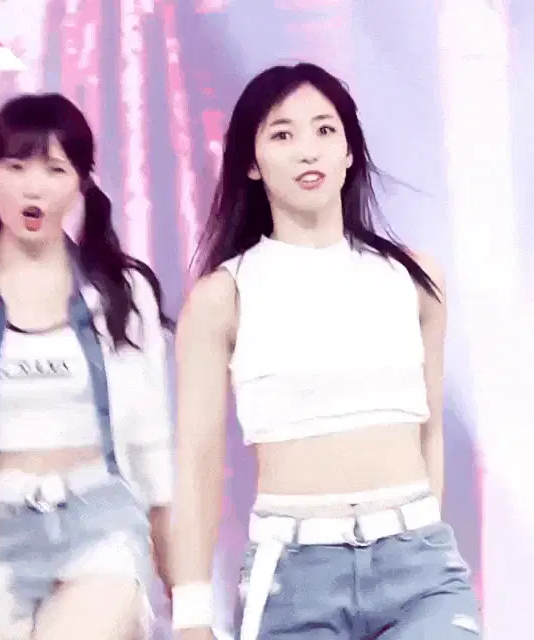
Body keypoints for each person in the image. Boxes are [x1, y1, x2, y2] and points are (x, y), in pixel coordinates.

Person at [172, 62, 482, 640]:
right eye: (282, 134)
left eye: (324, 129)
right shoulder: (224, 296)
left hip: (420, 569)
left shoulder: (414, 280)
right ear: (250, 163)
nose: (307, 150)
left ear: (348, 151)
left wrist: (424, 534)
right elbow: (197, 461)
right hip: (295, 575)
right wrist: (191, 615)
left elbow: (431, 429)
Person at [0, 93, 175, 640]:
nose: (33, 187)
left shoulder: (123, 291)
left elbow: (153, 447)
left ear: (81, 181)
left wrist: (188, 598)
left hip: (98, 518)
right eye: (15, 167)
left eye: (54, 170)